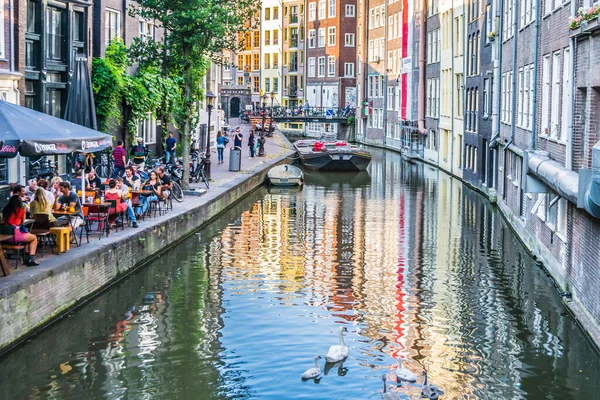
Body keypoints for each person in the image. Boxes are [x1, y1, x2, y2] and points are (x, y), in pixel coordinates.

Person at [2, 186, 39, 266]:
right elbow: (22, 221)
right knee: (34, 238)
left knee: (28, 236)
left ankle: (27, 258)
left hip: (6, 235)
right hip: (15, 235)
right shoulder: (21, 209)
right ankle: (31, 258)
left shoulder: (5, 209)